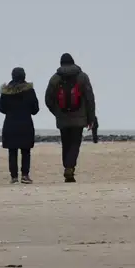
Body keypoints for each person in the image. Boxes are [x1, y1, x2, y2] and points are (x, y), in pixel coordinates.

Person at [45, 53, 96, 183]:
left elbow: (48, 100)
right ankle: (70, 167)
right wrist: (91, 118)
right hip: (79, 118)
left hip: (62, 118)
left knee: (66, 144)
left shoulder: (55, 79)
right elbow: (90, 98)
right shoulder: (82, 77)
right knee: (75, 143)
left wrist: (57, 112)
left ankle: (67, 166)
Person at [0, 67, 39, 184]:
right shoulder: (29, 91)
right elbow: (35, 109)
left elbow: (1, 108)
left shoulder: (6, 91)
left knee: (12, 151)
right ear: (24, 76)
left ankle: (14, 176)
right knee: (26, 151)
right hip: (26, 123)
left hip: (10, 124)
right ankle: (25, 175)